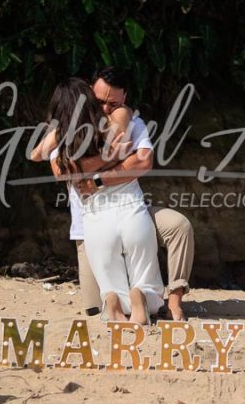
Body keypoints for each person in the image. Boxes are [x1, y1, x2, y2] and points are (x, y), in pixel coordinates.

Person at [34, 67, 195, 321]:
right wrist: (113, 156)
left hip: (113, 213)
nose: (106, 109)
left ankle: (173, 302)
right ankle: (141, 298)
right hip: (91, 227)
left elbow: (143, 162)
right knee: (93, 308)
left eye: (114, 103)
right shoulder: (72, 127)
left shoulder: (130, 121)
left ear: (125, 97)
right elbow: (61, 172)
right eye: (100, 102)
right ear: (88, 92)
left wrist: (96, 180)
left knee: (179, 226)